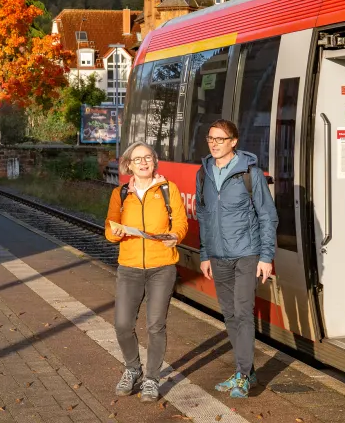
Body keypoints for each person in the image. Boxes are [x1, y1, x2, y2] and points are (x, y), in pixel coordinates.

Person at [195, 119, 278, 399]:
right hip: (218, 256)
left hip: (246, 254)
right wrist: (205, 253)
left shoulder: (250, 174)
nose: (214, 143)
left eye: (220, 138)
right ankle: (247, 371)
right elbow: (204, 216)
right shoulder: (203, 173)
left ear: (234, 141)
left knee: (243, 313)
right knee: (230, 314)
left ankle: (242, 375)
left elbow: (268, 215)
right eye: (210, 138)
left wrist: (266, 257)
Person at [105, 141, 188, 403]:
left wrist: (175, 235)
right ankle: (132, 368)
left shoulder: (167, 189)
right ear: (128, 164)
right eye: (138, 159)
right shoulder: (120, 194)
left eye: (148, 158)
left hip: (161, 267)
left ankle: (152, 378)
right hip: (129, 267)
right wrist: (115, 233)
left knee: (156, 325)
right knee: (122, 325)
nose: (143, 163)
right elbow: (109, 229)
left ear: (154, 162)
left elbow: (182, 222)